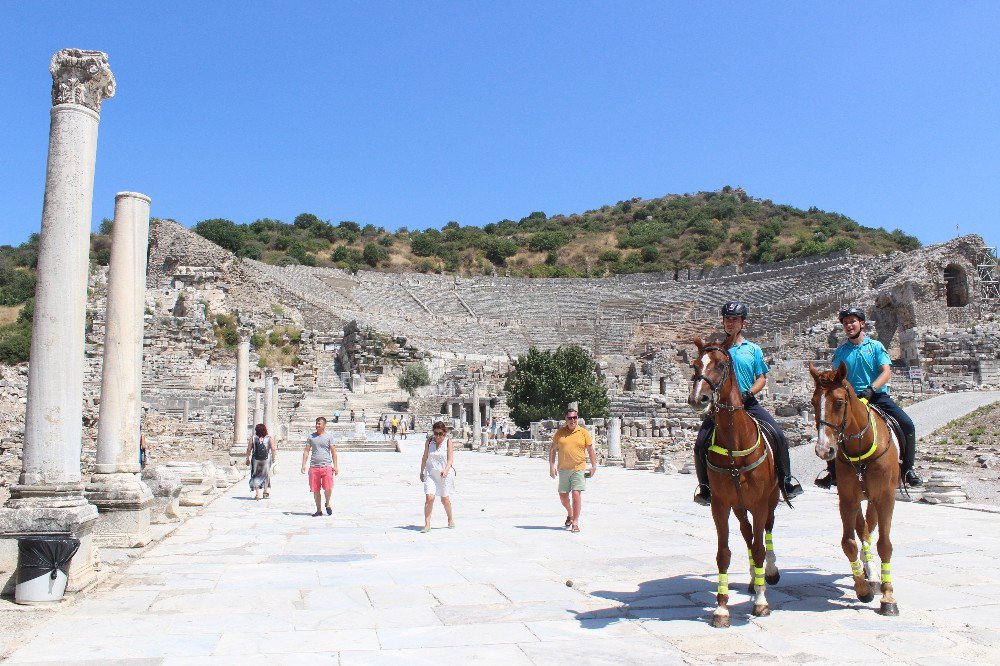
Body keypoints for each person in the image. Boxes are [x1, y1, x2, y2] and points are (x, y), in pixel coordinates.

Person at [692, 301, 803, 506]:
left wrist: (748, 393)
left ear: (744, 322)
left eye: (734, 319)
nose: (730, 323)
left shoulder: (753, 350)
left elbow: (761, 378)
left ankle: (786, 480)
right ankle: (705, 488)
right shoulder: (716, 350)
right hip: (721, 407)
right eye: (727, 319)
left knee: (778, 435)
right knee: (700, 444)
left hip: (748, 403)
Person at [815, 307, 922, 489]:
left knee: (906, 424)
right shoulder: (840, 352)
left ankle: (908, 469)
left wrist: (872, 389)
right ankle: (832, 470)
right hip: (850, 399)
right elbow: (836, 378)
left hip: (876, 396)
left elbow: (886, 371)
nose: (849, 325)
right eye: (846, 322)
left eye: (852, 321)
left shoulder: (876, 347)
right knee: (830, 425)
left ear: (861, 324)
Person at [548, 408, 597, 533]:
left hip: (578, 468)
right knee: (563, 496)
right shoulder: (560, 433)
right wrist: (551, 466)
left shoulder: (583, 432)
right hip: (563, 469)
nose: (572, 420)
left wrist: (594, 466)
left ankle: (575, 522)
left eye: (574, 417)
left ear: (577, 418)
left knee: (576, 494)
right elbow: (553, 450)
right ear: (566, 419)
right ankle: (570, 513)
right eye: (569, 418)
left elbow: (591, 450)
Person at [419, 421, 455, 532]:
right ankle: (427, 524)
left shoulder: (448, 442)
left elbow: (450, 459)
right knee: (429, 498)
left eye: (440, 433)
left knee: (445, 500)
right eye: (435, 433)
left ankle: (450, 519)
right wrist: (421, 471)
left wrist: (446, 470)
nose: (438, 436)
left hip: (444, 474)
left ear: (444, 433)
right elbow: (425, 457)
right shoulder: (429, 442)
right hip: (431, 473)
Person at [301, 416, 338, 516]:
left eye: (319, 423)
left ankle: (327, 503)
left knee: (328, 488)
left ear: (324, 425)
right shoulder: (311, 437)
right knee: (316, 489)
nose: (317, 425)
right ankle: (319, 510)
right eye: (316, 423)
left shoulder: (329, 437)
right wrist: (303, 464)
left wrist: (336, 466)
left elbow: (334, 452)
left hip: (327, 466)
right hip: (314, 466)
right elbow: (306, 450)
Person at [246, 423, 276, 500]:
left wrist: (247, 458)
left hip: (255, 459)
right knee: (266, 474)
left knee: (255, 474)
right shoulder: (269, 438)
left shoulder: (253, 438)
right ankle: (265, 492)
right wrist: (273, 458)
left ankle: (257, 494)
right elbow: (273, 448)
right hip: (266, 459)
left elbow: (249, 449)